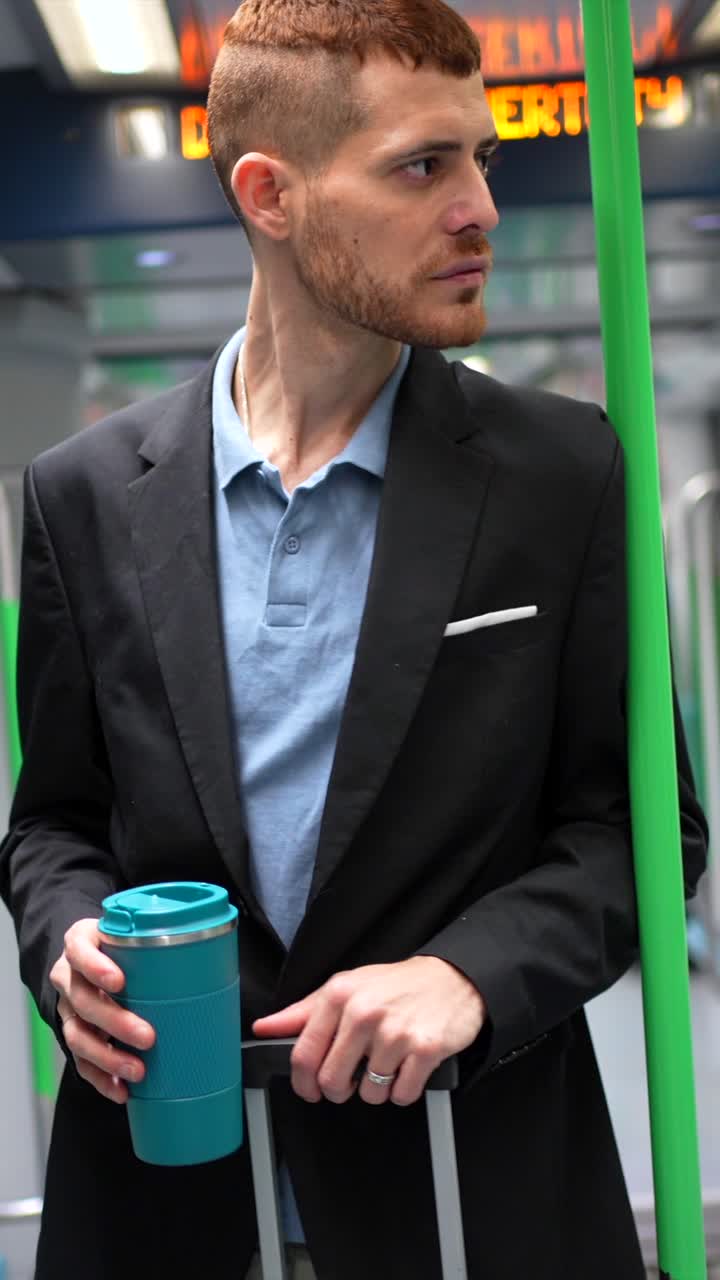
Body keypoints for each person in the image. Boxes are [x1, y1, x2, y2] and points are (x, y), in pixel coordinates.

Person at [0, 1, 707, 1277]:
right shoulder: (83, 494)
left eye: (480, 157)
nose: (482, 207)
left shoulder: (563, 474)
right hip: (166, 1187)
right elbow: (53, 819)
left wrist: (472, 972)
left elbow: (635, 827)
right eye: (423, 165)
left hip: (469, 1183)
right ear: (270, 193)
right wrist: (70, 943)